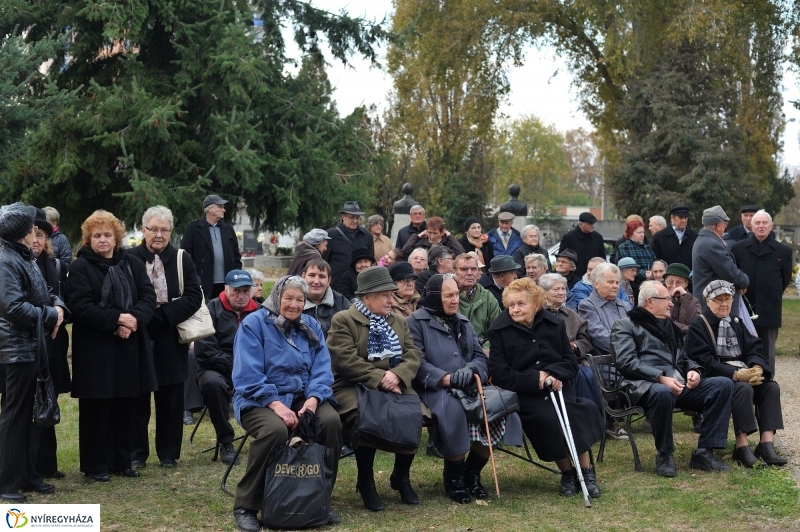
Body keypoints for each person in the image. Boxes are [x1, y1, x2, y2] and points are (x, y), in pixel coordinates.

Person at [231, 276, 343, 532]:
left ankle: (319, 499)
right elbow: (247, 375)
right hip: (257, 398)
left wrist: (313, 401)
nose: (294, 305)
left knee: (330, 422)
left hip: (303, 395)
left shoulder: (310, 324)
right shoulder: (254, 324)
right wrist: (276, 405)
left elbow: (323, 370)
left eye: (300, 300)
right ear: (277, 297)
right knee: (275, 431)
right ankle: (246, 506)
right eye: (288, 298)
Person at [488, 278, 603, 498]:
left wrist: (553, 374)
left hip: (560, 389)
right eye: (511, 305)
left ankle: (586, 473)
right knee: (548, 419)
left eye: (521, 303)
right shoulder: (499, 330)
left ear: (536, 304)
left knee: (575, 412)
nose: (515, 309)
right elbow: (500, 373)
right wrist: (535, 379)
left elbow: (571, 363)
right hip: (527, 394)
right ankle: (567, 473)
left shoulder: (554, 324)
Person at [67, 209, 157, 482]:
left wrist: (133, 322)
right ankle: (95, 466)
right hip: (96, 350)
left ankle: (122, 460)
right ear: (88, 239)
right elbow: (80, 306)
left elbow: (147, 297)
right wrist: (117, 319)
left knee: (126, 406)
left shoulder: (132, 264)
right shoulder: (80, 267)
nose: (102, 240)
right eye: (96, 235)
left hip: (129, 346)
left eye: (107, 235)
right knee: (97, 409)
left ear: (117, 238)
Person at [611, 281, 734, 477]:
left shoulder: (671, 327)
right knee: (662, 392)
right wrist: (660, 378)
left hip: (677, 384)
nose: (671, 304)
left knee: (723, 384)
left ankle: (704, 452)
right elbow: (625, 362)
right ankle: (665, 455)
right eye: (666, 299)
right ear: (650, 302)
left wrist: (694, 371)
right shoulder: (625, 325)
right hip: (643, 387)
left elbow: (684, 358)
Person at [327, 266, 424, 511]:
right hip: (353, 385)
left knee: (414, 414)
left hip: (395, 383)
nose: (391, 299)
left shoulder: (398, 321)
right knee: (369, 415)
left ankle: (401, 477)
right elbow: (345, 360)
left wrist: (399, 375)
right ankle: (366, 480)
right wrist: (381, 378)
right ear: (366, 298)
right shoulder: (344, 319)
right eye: (384, 294)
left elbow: (413, 353)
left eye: (391, 293)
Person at [407, 274, 498, 503]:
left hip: (469, 385)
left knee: (496, 411)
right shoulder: (415, 322)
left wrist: (473, 370)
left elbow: (479, 355)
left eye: (456, 294)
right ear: (436, 296)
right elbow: (414, 361)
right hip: (434, 389)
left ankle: (472, 473)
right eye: (448, 295)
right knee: (454, 410)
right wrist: (446, 378)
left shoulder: (462, 321)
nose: (455, 300)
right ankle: (454, 478)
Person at [0, 203, 66, 502]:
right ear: (22, 234)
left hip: (33, 345)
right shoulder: (5, 260)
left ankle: (27, 474)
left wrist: (58, 309)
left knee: (29, 414)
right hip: (17, 349)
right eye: (31, 229)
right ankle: (6, 482)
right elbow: (13, 308)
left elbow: (46, 293)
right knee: (15, 415)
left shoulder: (22, 256)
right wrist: (50, 315)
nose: (34, 233)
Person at [128, 206, 203, 469]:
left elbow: (194, 296)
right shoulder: (129, 258)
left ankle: (169, 453)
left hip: (170, 334)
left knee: (171, 396)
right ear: (143, 230)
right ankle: (136, 453)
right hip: (137, 333)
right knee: (137, 397)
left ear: (171, 232)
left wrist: (161, 316)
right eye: (153, 229)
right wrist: (140, 316)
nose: (158, 235)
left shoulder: (182, 259)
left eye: (164, 230)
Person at [684, 280, 786, 468]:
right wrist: (737, 374)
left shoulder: (736, 321)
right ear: (707, 301)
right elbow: (703, 361)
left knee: (771, 387)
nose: (724, 304)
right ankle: (741, 446)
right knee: (743, 389)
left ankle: (766, 444)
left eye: (727, 299)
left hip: (743, 371)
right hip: (718, 378)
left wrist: (757, 367)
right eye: (718, 300)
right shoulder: (699, 325)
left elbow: (754, 347)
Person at [195, 270, 260, 465]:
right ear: (226, 289)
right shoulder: (211, 309)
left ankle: (271, 436)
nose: (241, 296)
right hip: (217, 367)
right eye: (236, 291)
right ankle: (225, 442)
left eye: (245, 291)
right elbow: (204, 350)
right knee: (213, 384)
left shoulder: (260, 311)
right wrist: (235, 365)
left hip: (252, 368)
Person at [30, 209, 71, 480]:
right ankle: (28, 465)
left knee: (49, 400)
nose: (35, 239)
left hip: (53, 343)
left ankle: (47, 464)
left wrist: (59, 309)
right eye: (31, 234)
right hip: (26, 344)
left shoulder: (54, 265)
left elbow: (64, 300)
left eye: (40, 235)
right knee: (25, 404)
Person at [731, 210, 792, 373]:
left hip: (769, 307)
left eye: (765, 223)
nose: (761, 226)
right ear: (751, 226)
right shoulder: (738, 249)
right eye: (757, 223)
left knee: (767, 351)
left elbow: (784, 280)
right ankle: (746, 381)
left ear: (771, 226)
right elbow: (734, 274)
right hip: (744, 307)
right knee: (743, 348)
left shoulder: (783, 251)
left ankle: (767, 384)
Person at [539, 273, 599, 409]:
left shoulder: (571, 314)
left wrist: (575, 346)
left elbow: (585, 339)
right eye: (556, 289)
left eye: (563, 289)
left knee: (588, 375)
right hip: (549, 363)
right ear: (544, 293)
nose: (561, 293)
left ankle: (592, 414)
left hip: (575, 360)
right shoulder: (537, 315)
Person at [180, 194, 242, 301]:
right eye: (220, 207)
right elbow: (186, 256)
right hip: (203, 282)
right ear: (210, 209)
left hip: (227, 283)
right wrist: (194, 278)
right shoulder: (193, 228)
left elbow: (236, 255)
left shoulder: (227, 228)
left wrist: (236, 274)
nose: (224, 210)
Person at [691, 206, 749, 313]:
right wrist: (744, 281)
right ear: (718, 225)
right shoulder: (712, 244)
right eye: (725, 224)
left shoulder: (703, 240)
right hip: (715, 306)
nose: (725, 228)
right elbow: (730, 273)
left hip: (710, 303)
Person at [323, 201, 374, 293]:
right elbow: (323, 262)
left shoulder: (367, 236)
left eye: (357, 217)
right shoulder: (330, 235)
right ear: (343, 216)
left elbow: (371, 260)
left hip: (360, 286)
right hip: (336, 286)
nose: (355, 221)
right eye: (351, 217)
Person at [454, 253, 500, 348]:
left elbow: (497, 330)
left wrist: (485, 349)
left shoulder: (487, 297)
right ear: (453, 272)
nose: (470, 273)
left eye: (474, 269)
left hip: (483, 351)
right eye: (464, 269)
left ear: (478, 273)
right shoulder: (446, 296)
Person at [301, 259, 350, 337]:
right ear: (303, 276)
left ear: (329, 280)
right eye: (312, 275)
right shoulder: (293, 303)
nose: (316, 281)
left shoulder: (342, 304)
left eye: (322, 276)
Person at [559, 212, 605, 279]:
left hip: (594, 276)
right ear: (581, 224)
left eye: (593, 224)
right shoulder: (569, 237)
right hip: (573, 277)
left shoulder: (598, 238)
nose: (593, 226)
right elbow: (562, 258)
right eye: (590, 224)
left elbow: (602, 257)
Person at [615, 220, 656, 284]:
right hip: (632, 285)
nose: (642, 235)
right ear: (631, 234)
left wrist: (654, 272)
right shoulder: (623, 248)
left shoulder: (647, 248)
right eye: (639, 233)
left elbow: (655, 264)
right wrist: (644, 274)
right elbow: (624, 269)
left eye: (643, 232)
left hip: (649, 283)